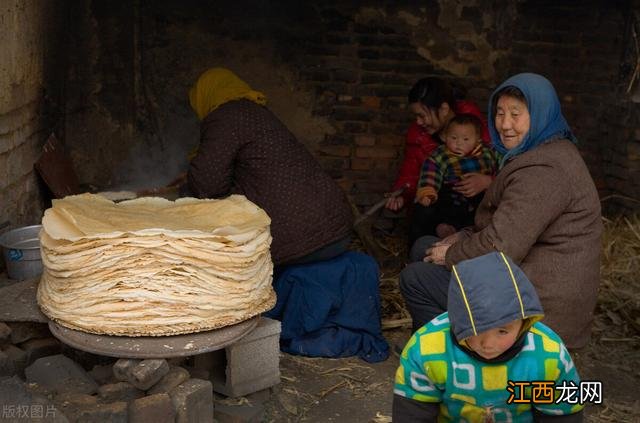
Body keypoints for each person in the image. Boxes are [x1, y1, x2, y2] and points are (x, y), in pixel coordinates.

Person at [400, 73, 602, 349]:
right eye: (499, 113)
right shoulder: (544, 151)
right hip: (525, 278)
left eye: (516, 114)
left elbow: (503, 247)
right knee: (424, 247)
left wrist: (452, 254)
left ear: (541, 114)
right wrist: (462, 237)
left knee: (416, 277)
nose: (505, 124)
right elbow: (506, 222)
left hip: (539, 307)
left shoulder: (544, 170)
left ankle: (444, 356)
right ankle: (457, 340)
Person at [187, 67, 353, 266]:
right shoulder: (256, 112)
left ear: (205, 95)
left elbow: (208, 185)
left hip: (300, 241)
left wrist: (183, 188)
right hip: (338, 228)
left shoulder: (224, 116)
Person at [393, 252, 584, 422]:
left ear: (524, 321)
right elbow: (412, 413)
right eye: (474, 331)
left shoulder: (548, 356)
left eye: (502, 331)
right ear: (458, 321)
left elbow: (563, 414)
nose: (488, 344)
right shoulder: (427, 349)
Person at [385, 77, 492, 247]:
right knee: (423, 209)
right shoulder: (419, 137)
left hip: (475, 202)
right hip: (442, 202)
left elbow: (500, 162)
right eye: (416, 116)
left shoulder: (475, 127)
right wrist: (401, 195)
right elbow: (411, 173)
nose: (418, 122)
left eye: (422, 115)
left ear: (443, 109)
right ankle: (421, 256)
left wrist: (488, 181)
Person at [415, 114, 498, 238]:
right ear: (445, 137)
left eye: (465, 139)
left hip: (480, 197)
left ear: (478, 140)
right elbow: (431, 172)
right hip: (453, 194)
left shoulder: (488, 153)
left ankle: (472, 233)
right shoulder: (441, 155)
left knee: (483, 211)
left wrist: (490, 181)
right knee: (446, 208)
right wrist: (427, 192)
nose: (458, 143)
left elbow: (501, 171)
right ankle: (447, 229)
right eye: (453, 138)